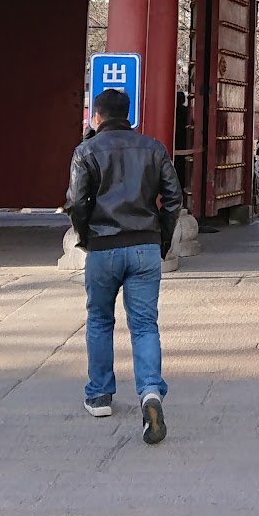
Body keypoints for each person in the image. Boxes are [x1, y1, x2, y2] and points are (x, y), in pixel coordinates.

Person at [66, 88, 183, 446]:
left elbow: (76, 202)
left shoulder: (86, 151)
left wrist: (85, 236)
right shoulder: (153, 148)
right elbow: (174, 198)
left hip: (104, 247)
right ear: (128, 114)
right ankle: (150, 392)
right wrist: (162, 238)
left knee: (100, 320)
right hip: (144, 245)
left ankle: (100, 394)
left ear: (97, 116)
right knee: (145, 325)